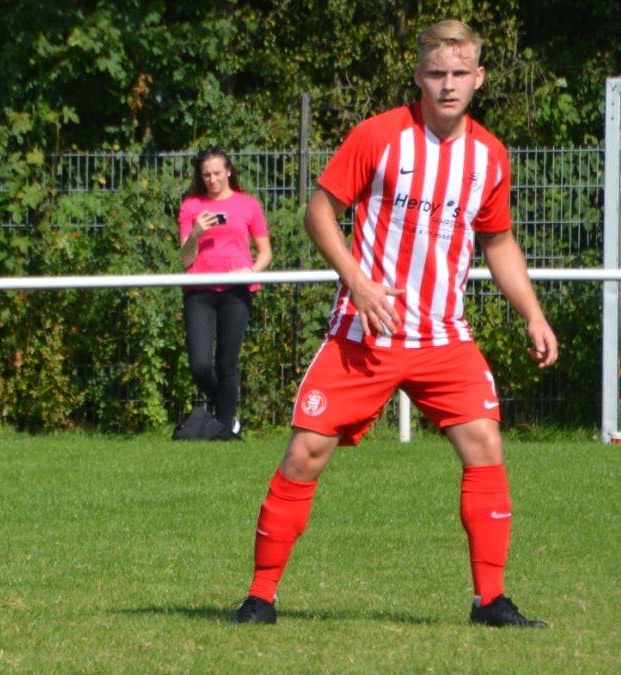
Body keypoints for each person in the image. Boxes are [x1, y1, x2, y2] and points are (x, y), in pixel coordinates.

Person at [235, 19, 558, 628]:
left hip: (443, 338)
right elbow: (319, 212)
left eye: (459, 73)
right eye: (436, 73)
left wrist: (533, 314)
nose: (448, 85)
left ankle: (490, 601)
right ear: (418, 76)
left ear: (480, 77)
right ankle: (260, 597)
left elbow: (498, 241)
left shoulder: (489, 156)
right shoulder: (379, 136)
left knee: (485, 443)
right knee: (305, 452)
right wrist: (357, 282)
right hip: (366, 335)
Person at [177, 147, 272, 438]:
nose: (212, 179)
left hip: (236, 291)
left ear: (229, 171)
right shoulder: (190, 206)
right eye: (206, 175)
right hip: (200, 291)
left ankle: (223, 427)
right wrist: (196, 233)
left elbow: (265, 253)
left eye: (217, 173)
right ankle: (226, 418)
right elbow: (185, 259)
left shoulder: (248, 205)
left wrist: (251, 271)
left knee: (226, 363)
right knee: (200, 365)